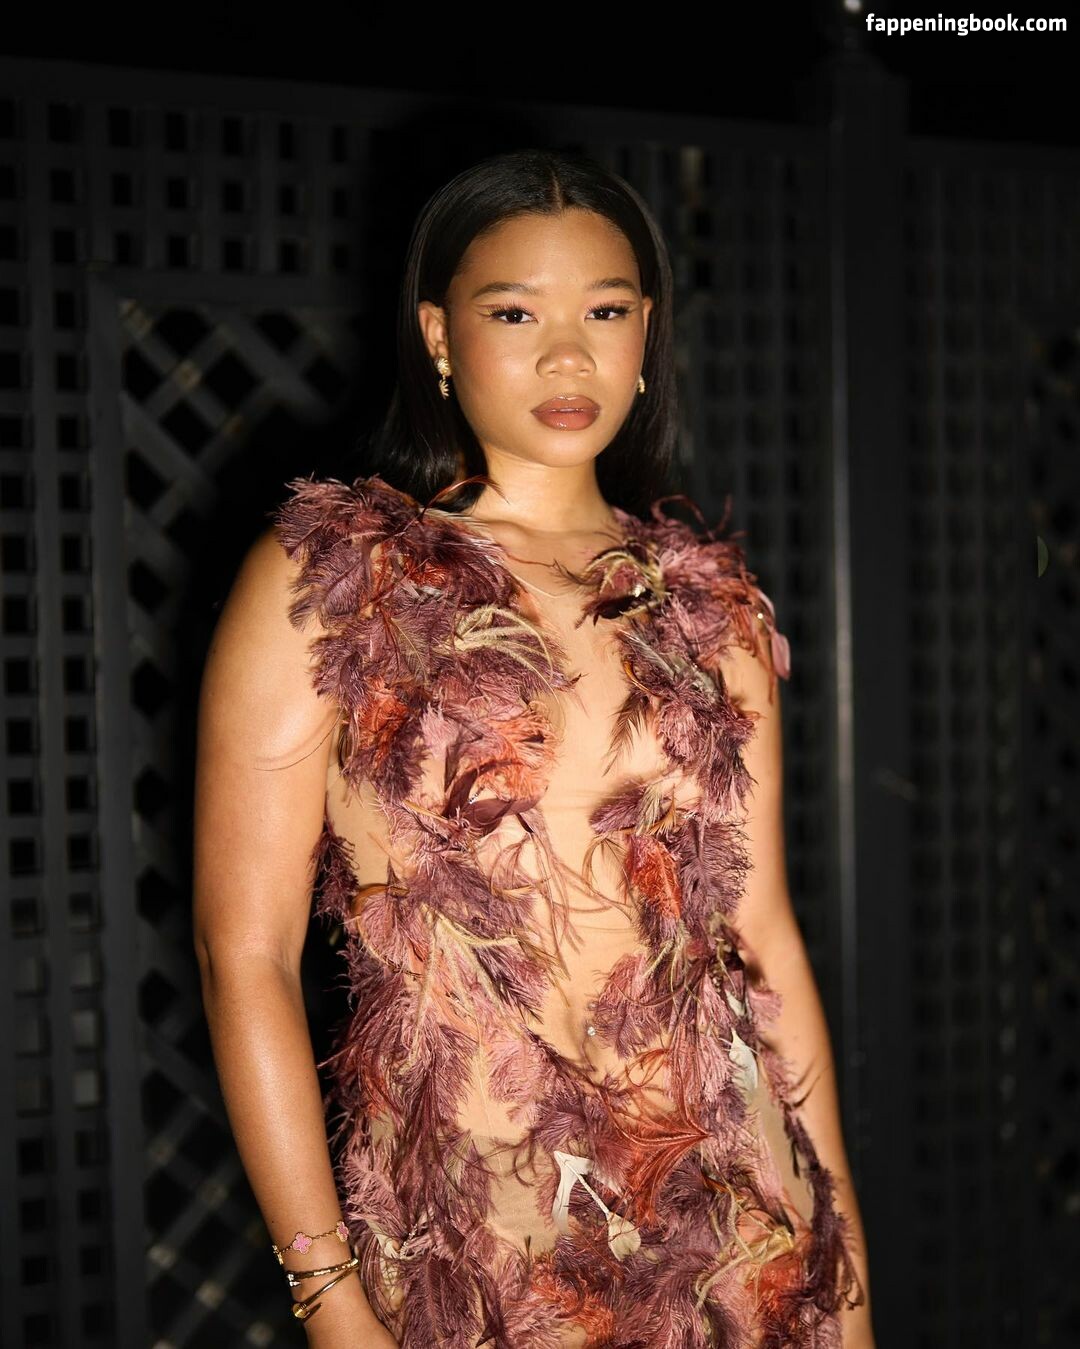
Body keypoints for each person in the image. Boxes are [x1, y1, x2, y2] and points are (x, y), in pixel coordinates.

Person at [194, 147, 875, 1349]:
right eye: (516, 313)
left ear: (646, 329)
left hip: (740, 1225)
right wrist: (329, 1293)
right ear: (438, 334)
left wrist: (845, 1267)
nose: (569, 356)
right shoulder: (334, 582)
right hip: (479, 1242)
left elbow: (760, 936)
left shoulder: (708, 606)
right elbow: (241, 951)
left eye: (604, 312)